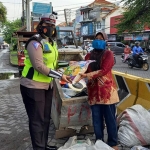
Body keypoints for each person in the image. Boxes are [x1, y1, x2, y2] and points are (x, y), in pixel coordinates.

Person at [20, 13, 71, 150]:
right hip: (32, 85)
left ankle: (43, 145)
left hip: (47, 85)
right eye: (47, 25)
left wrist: (68, 67)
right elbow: (39, 66)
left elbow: (52, 64)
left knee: (45, 118)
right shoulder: (34, 42)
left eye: (52, 25)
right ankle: (38, 148)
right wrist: (59, 76)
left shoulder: (51, 42)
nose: (50, 28)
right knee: (37, 120)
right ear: (40, 26)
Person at [76, 32, 119, 150]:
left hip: (107, 92)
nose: (98, 40)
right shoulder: (88, 56)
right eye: (96, 38)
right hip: (94, 92)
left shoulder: (109, 54)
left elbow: (104, 70)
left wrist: (88, 74)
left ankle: (113, 142)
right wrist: (75, 68)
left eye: (101, 39)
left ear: (105, 41)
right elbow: (83, 68)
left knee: (110, 119)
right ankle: (99, 141)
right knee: (96, 119)